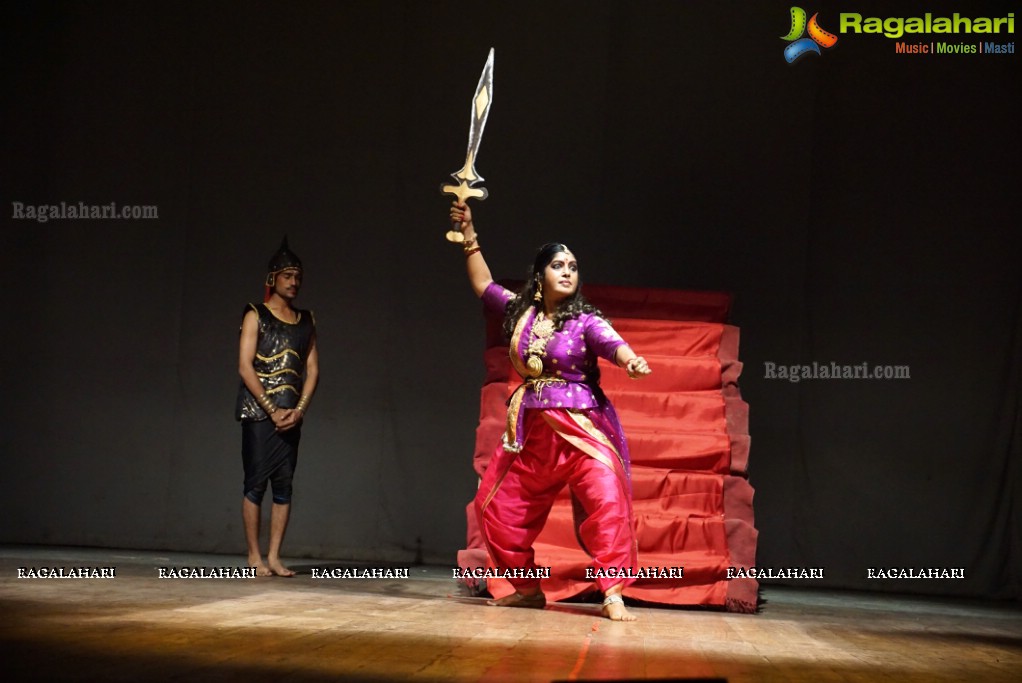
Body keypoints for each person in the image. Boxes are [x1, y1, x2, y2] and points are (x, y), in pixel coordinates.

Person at [450, 201, 652, 621]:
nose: (567, 272)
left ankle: (612, 592)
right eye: (558, 265)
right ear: (539, 275)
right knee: (497, 507)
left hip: (582, 429)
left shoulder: (585, 321)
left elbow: (612, 341)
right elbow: (483, 285)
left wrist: (630, 360)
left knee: (607, 501)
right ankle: (526, 588)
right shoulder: (522, 313)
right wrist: (469, 235)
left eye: (573, 266)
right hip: (532, 433)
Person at [235, 237, 319, 577]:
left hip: (290, 416)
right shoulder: (255, 314)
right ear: (273, 278)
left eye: (297, 276)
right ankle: (254, 556)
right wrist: (271, 410)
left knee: (284, 486)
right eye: (287, 275)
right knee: (256, 483)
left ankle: (274, 557)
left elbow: (312, 370)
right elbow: (245, 366)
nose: (294, 282)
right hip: (259, 414)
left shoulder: (307, 320)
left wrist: (298, 410)